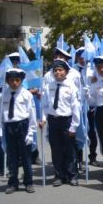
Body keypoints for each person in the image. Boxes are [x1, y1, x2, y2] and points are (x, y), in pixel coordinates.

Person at [0, 68, 37, 194]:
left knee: (26, 157)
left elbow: (32, 115)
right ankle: (13, 183)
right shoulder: (3, 95)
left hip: (23, 125)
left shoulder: (26, 94)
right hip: (9, 126)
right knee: (12, 157)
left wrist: (31, 132)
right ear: (7, 81)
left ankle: (28, 182)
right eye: (11, 80)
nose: (14, 83)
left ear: (21, 80)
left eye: (17, 80)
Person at [40, 59, 81, 187]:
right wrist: (43, 118)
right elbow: (45, 105)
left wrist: (74, 126)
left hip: (67, 121)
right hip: (53, 120)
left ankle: (72, 175)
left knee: (70, 150)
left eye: (60, 70)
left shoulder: (71, 87)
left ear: (66, 72)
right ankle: (59, 175)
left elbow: (75, 108)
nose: (58, 73)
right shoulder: (48, 87)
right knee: (56, 149)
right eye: (55, 70)